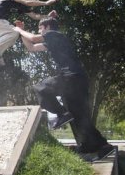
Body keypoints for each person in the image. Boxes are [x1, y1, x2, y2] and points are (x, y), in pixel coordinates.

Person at [13, 17, 114, 161]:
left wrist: (18, 29)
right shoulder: (55, 41)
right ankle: (101, 146)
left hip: (71, 77)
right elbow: (31, 48)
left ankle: (62, 113)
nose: (39, 31)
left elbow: (34, 39)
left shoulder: (54, 34)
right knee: (79, 116)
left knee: (41, 88)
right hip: (78, 80)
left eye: (40, 28)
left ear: (47, 27)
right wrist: (21, 34)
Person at [0, 0, 58, 66]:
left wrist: (48, 17)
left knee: (7, 38)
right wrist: (45, 3)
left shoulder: (22, 6)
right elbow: (27, 2)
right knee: (15, 32)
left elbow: (34, 16)